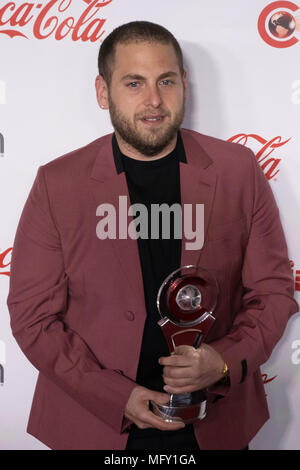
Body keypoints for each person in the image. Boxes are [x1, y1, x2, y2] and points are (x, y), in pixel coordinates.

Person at [7, 21, 298, 451]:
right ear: (103, 91)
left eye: (166, 80)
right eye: (133, 83)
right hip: (94, 425)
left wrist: (222, 364)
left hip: (214, 423)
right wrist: (114, 396)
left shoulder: (238, 170)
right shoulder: (58, 184)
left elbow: (273, 292)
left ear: (184, 84)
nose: (154, 100)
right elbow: (32, 317)